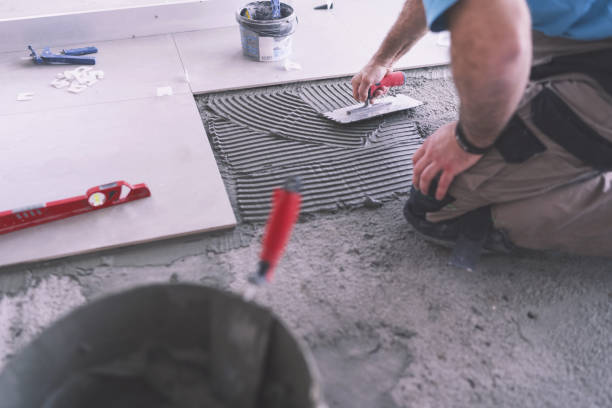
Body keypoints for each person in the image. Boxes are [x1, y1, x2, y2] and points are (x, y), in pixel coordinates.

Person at [352, 0, 612, 265]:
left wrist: (467, 141)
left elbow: (496, 45)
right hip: (594, 31)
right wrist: (383, 60)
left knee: (439, 204)